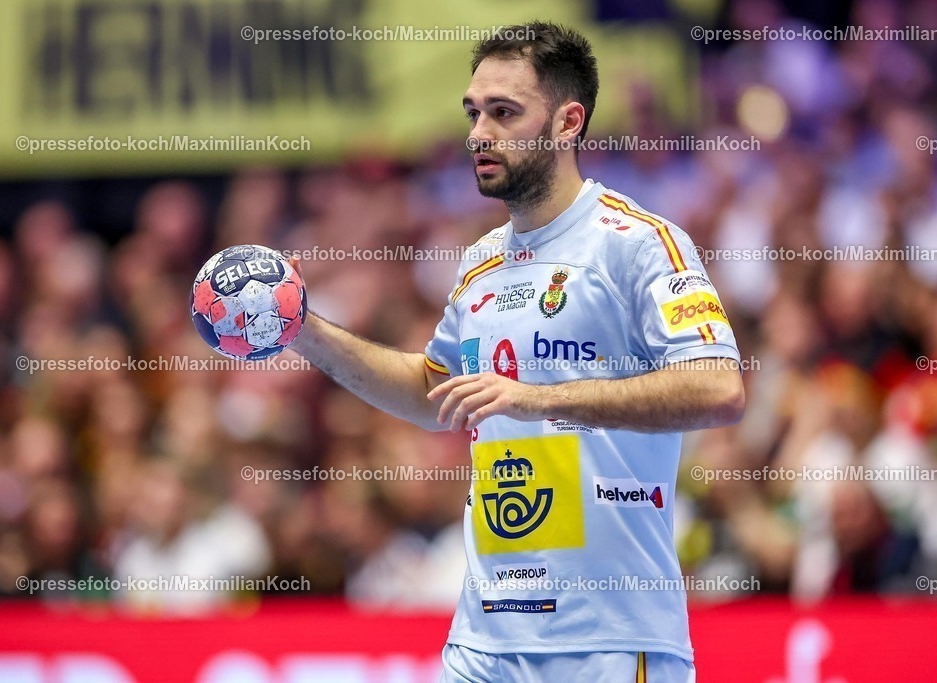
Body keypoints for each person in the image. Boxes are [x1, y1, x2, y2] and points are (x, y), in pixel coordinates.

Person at [290, 21, 744, 683]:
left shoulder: (638, 243)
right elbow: (432, 392)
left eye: (504, 113)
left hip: (611, 643)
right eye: (474, 113)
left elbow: (719, 388)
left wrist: (540, 395)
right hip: (485, 642)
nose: (479, 132)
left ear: (567, 123)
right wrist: (308, 330)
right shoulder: (478, 265)